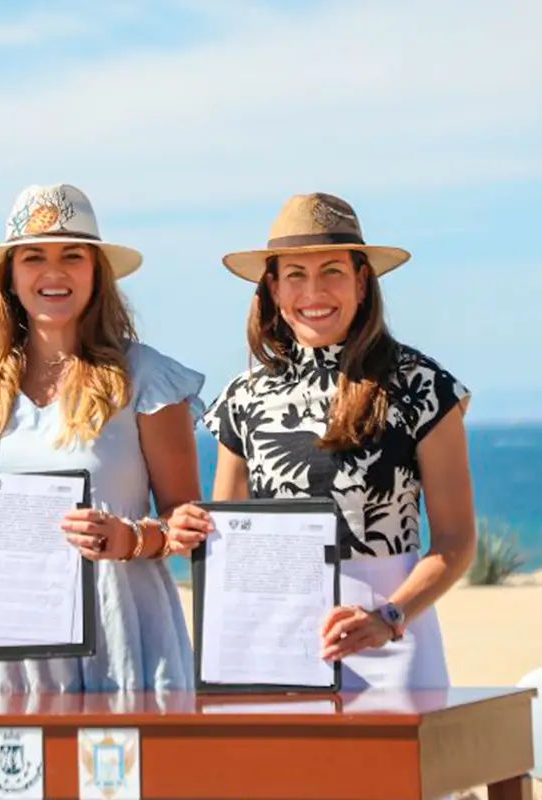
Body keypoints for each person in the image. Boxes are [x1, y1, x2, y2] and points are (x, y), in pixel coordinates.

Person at [0, 182, 205, 696]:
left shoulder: (147, 379)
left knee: (128, 778)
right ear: (10, 277)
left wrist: (129, 539)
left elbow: (186, 521)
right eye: (33, 258)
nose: (54, 272)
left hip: (122, 644)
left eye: (73, 255)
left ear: (96, 272)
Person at [186, 191, 478, 691]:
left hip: (394, 645)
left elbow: (456, 541)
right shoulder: (244, 396)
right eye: (295, 275)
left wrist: (388, 616)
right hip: (276, 648)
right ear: (273, 289)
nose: (313, 292)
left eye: (332, 271)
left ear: (362, 283)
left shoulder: (423, 386)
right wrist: (191, 526)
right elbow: (230, 539)